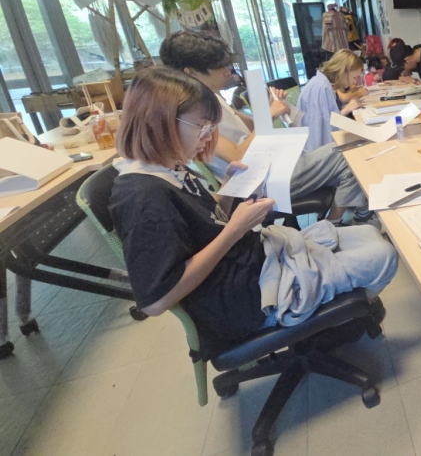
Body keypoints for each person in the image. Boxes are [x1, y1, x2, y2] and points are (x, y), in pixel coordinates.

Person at [108, 66, 397, 347]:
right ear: (160, 121)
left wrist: (228, 189)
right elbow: (157, 302)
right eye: (202, 127)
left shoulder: (167, 167)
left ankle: (337, 314)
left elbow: (203, 224)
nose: (208, 137)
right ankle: (328, 328)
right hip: (243, 298)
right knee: (383, 256)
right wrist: (234, 230)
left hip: (251, 262)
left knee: (371, 236)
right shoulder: (143, 198)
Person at [159, 31, 376, 224]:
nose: (227, 71)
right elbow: (236, 156)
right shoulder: (192, 115)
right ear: (191, 72)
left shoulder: (213, 99)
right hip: (257, 182)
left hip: (270, 166)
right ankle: (338, 221)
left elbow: (253, 126)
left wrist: (270, 106)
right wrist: (269, 115)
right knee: (348, 152)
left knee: (348, 155)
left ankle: (342, 218)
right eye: (218, 66)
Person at [299, 50, 368, 152]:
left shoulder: (323, 84)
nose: (355, 82)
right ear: (343, 71)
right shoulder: (321, 89)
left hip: (318, 148)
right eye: (354, 77)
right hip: (316, 153)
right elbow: (321, 137)